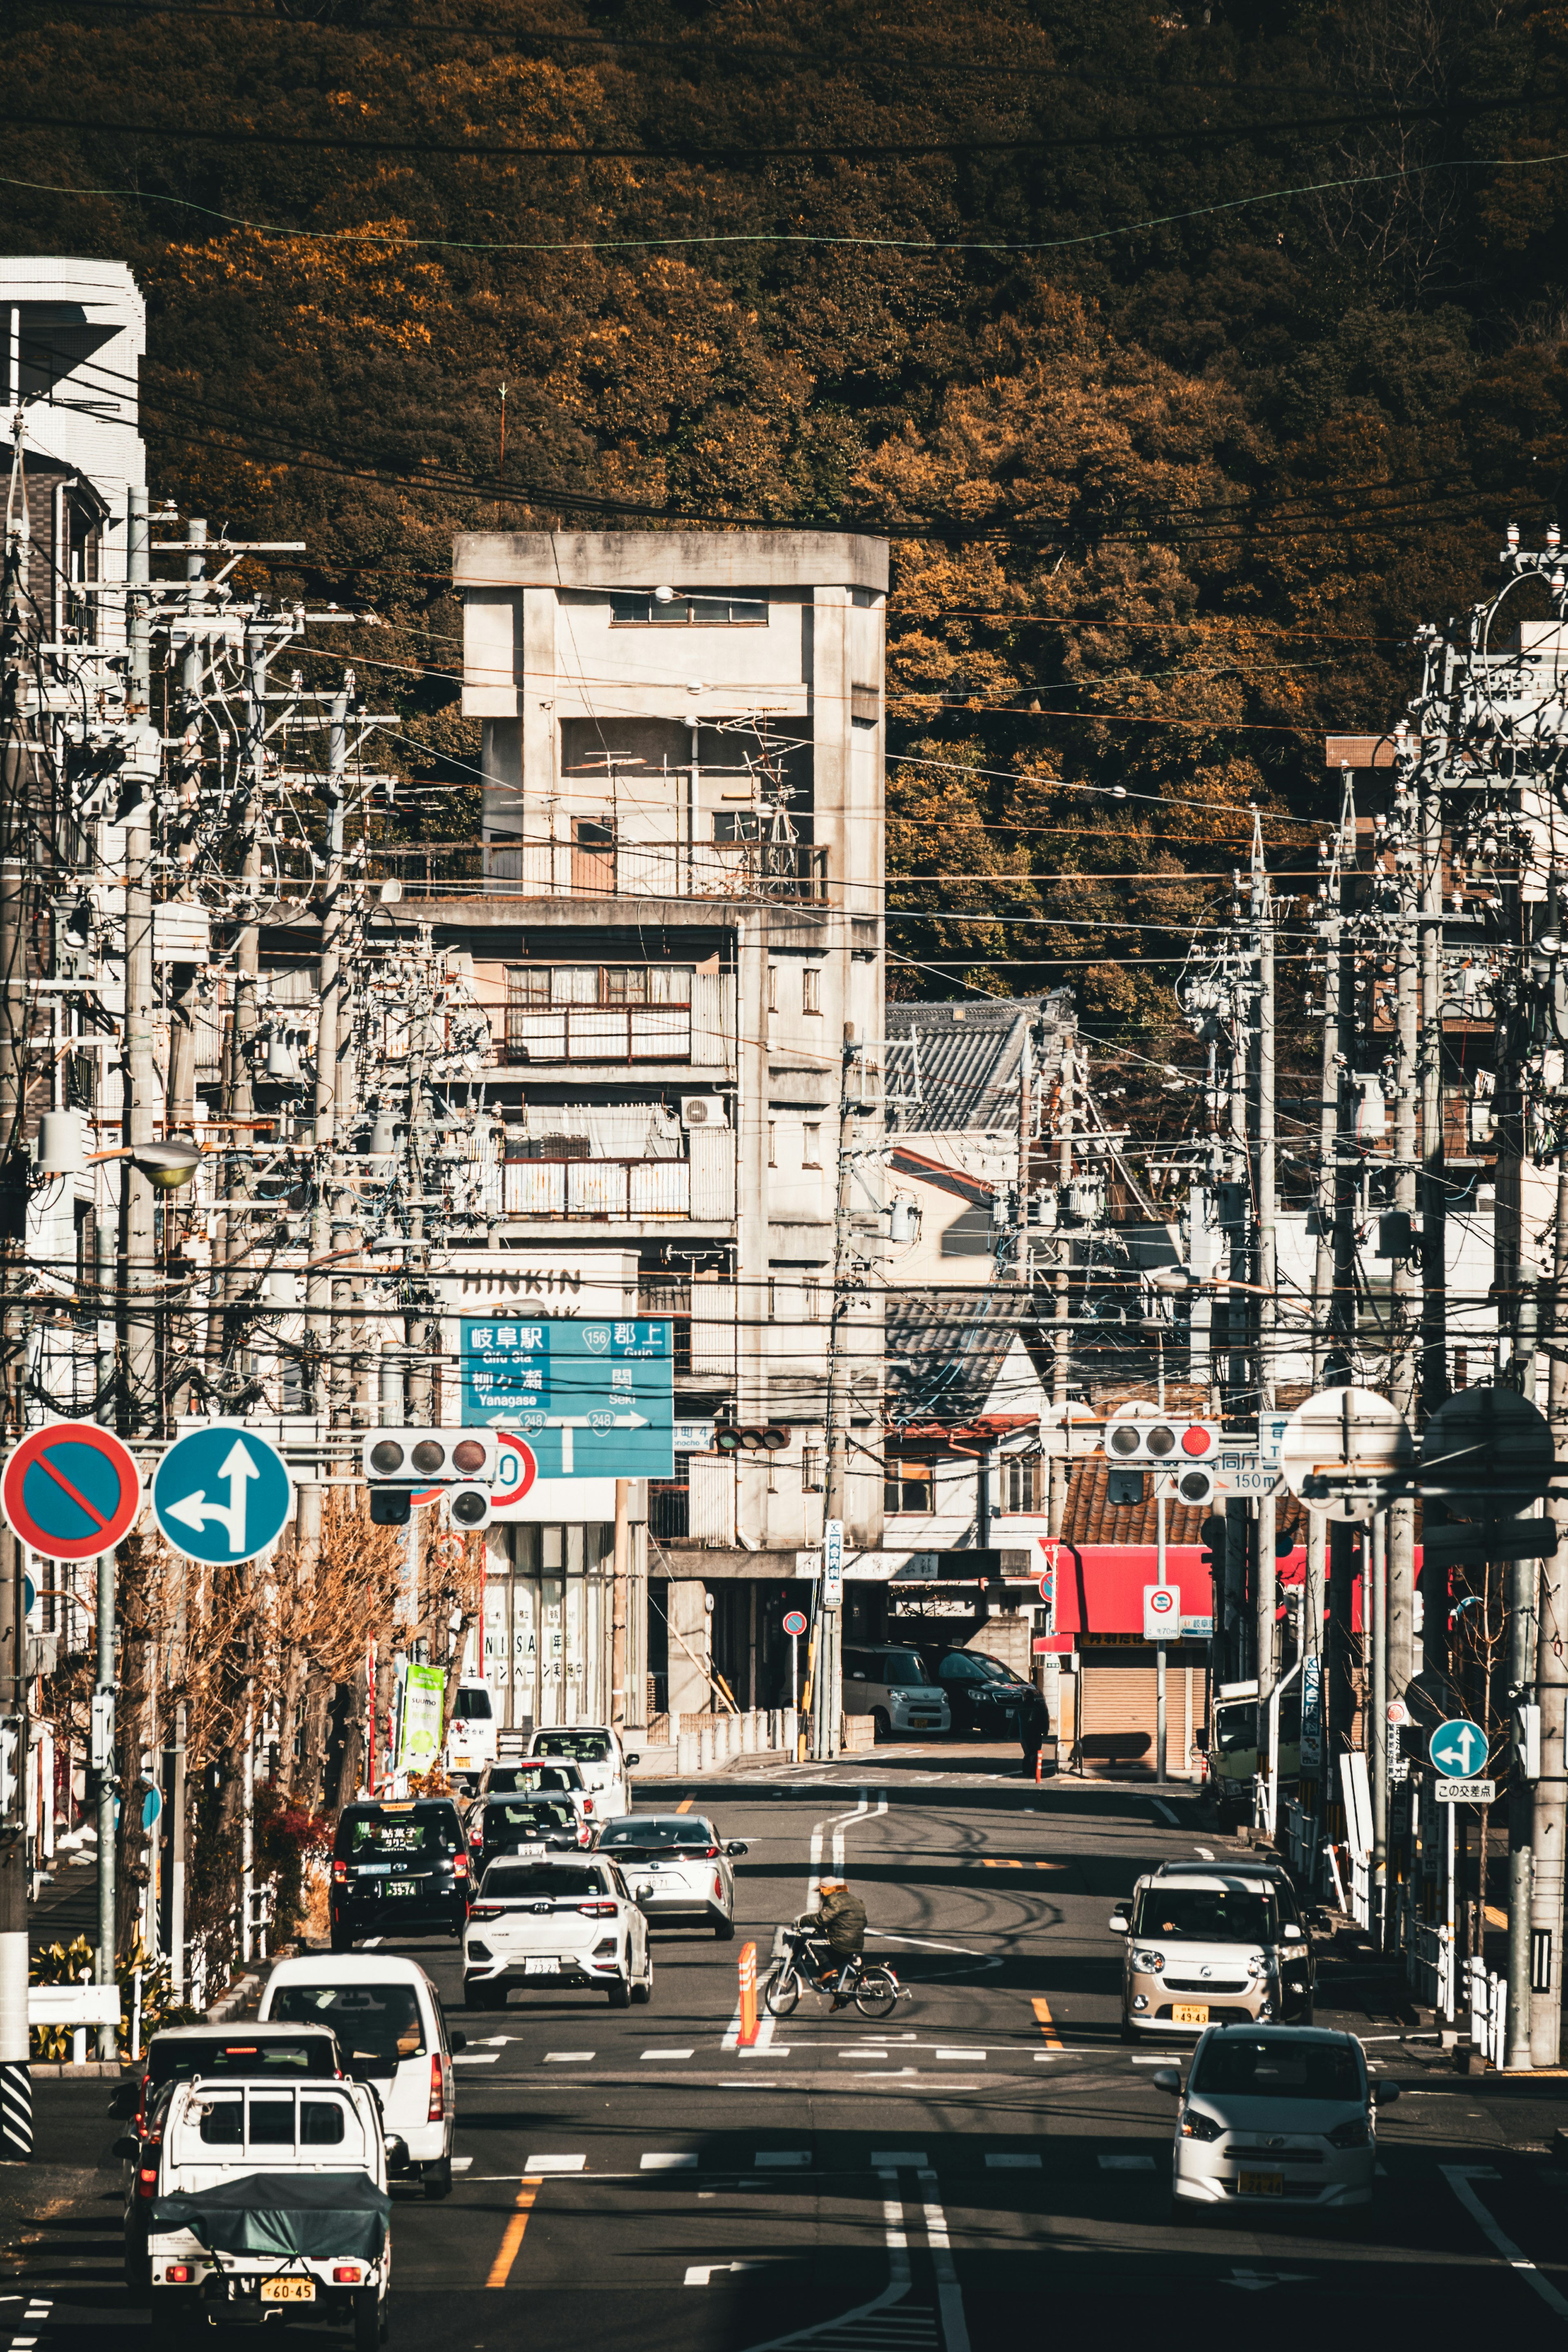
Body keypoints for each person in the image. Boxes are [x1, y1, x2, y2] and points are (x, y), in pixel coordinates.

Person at [806, 1875, 868, 2009]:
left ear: (826, 1890)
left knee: (810, 1944)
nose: (820, 1895)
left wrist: (802, 1921)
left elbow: (821, 1919)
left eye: (821, 1891)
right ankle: (838, 1997)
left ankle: (829, 1971)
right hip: (857, 1944)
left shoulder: (834, 1900)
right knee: (829, 1961)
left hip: (841, 1943)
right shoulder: (854, 1900)